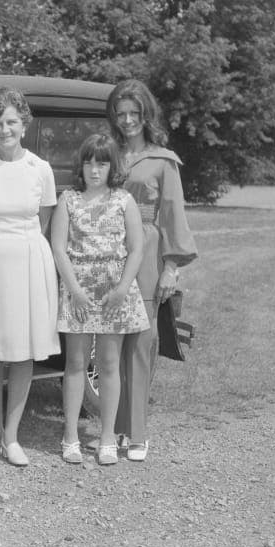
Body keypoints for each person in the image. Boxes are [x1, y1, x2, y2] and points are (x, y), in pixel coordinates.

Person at [0, 87, 60, 467]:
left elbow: (44, 223)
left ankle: (14, 437)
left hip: (28, 261)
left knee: (21, 351)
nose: (5, 129)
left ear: (24, 124)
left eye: (12, 122)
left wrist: (22, 246)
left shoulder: (40, 169)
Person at [106, 80, 198, 461]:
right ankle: (115, 429)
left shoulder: (163, 160)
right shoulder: (106, 153)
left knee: (141, 344)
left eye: (134, 113)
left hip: (145, 252)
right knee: (110, 346)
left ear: (146, 115)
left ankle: (138, 432)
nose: (128, 120)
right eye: (121, 113)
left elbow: (173, 213)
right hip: (107, 251)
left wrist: (171, 267)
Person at [52, 133, 150, 466]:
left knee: (109, 365)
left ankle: (107, 436)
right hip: (78, 288)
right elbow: (58, 248)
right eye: (89, 162)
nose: (95, 170)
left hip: (114, 290)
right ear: (81, 165)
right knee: (76, 364)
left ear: (112, 166)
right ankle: (71, 436)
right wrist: (75, 290)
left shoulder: (124, 200)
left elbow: (137, 248)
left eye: (102, 163)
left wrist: (123, 287)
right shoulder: (69, 200)